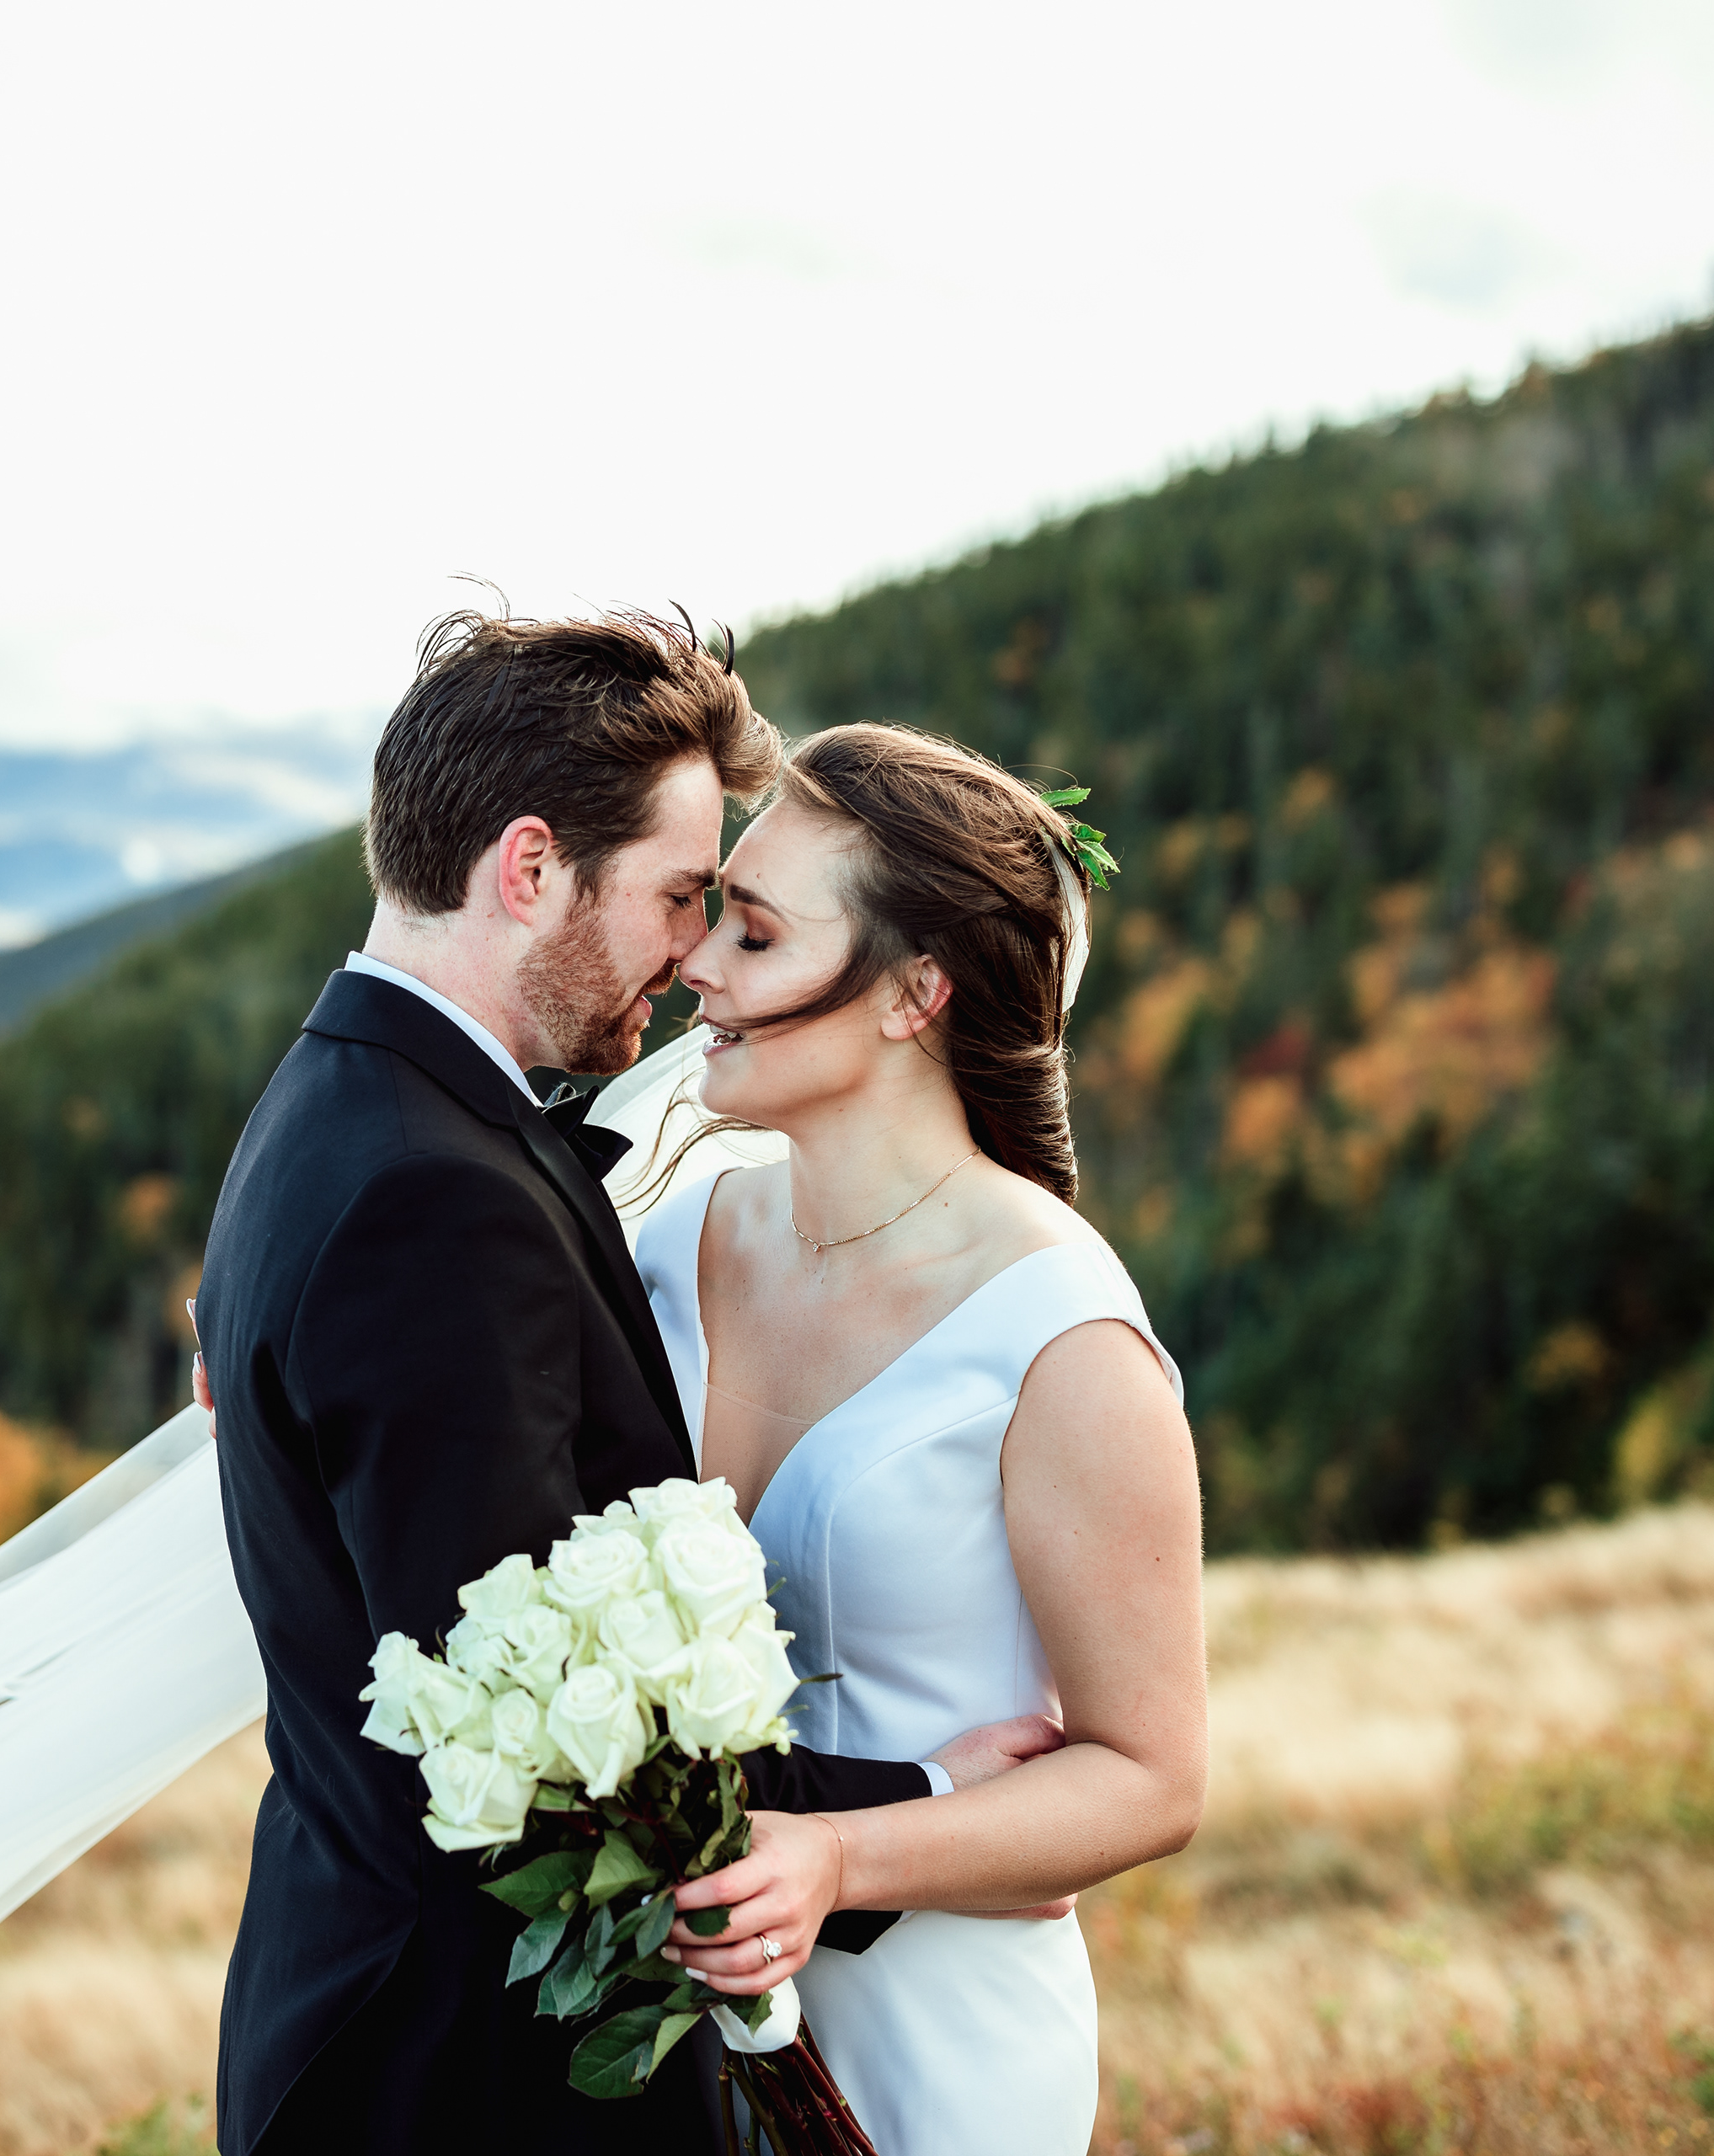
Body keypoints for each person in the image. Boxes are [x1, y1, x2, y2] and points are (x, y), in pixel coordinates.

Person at [194, 614, 1063, 2156]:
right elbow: (544, 1732)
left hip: (362, 2015)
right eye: (676, 896)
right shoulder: (430, 1201)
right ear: (531, 870)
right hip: (457, 2082)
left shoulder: (341, 1103)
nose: (690, 954)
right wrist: (925, 1804)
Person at [612, 723, 1209, 2153]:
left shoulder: (1059, 1340)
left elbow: (1153, 1777)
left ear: (914, 994)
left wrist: (841, 1854)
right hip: (660, 2046)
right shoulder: (668, 1244)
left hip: (937, 2055)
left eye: (756, 935)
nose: (698, 965)